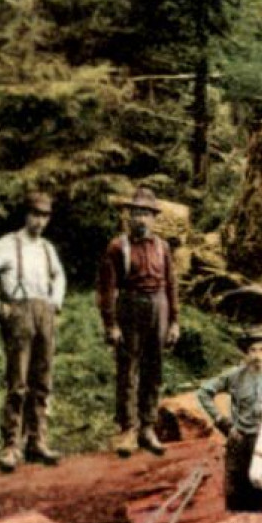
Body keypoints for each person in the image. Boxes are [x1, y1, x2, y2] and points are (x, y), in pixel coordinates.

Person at [0, 191, 66, 473]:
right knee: (18, 382)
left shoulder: (47, 248)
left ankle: (37, 442)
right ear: (25, 215)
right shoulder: (8, 245)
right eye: (35, 214)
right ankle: (11, 445)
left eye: (45, 216)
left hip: (44, 314)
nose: (40, 221)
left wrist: (55, 302)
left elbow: (58, 275)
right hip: (19, 315)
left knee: (43, 380)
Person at [97, 186, 180, 457]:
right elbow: (107, 289)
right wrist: (111, 324)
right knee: (128, 369)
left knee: (153, 369)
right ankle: (127, 429)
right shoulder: (117, 247)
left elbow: (171, 285)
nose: (141, 219)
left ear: (154, 218)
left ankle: (147, 427)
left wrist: (175, 321)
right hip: (130, 306)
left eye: (146, 214)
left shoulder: (162, 247)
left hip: (159, 305)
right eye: (136, 213)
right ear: (128, 216)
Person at [196, 326, 262, 512]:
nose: (257, 355)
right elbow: (204, 392)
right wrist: (222, 421)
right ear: (246, 353)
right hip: (239, 439)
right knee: (235, 491)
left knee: (259, 490)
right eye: (253, 350)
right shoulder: (235, 376)